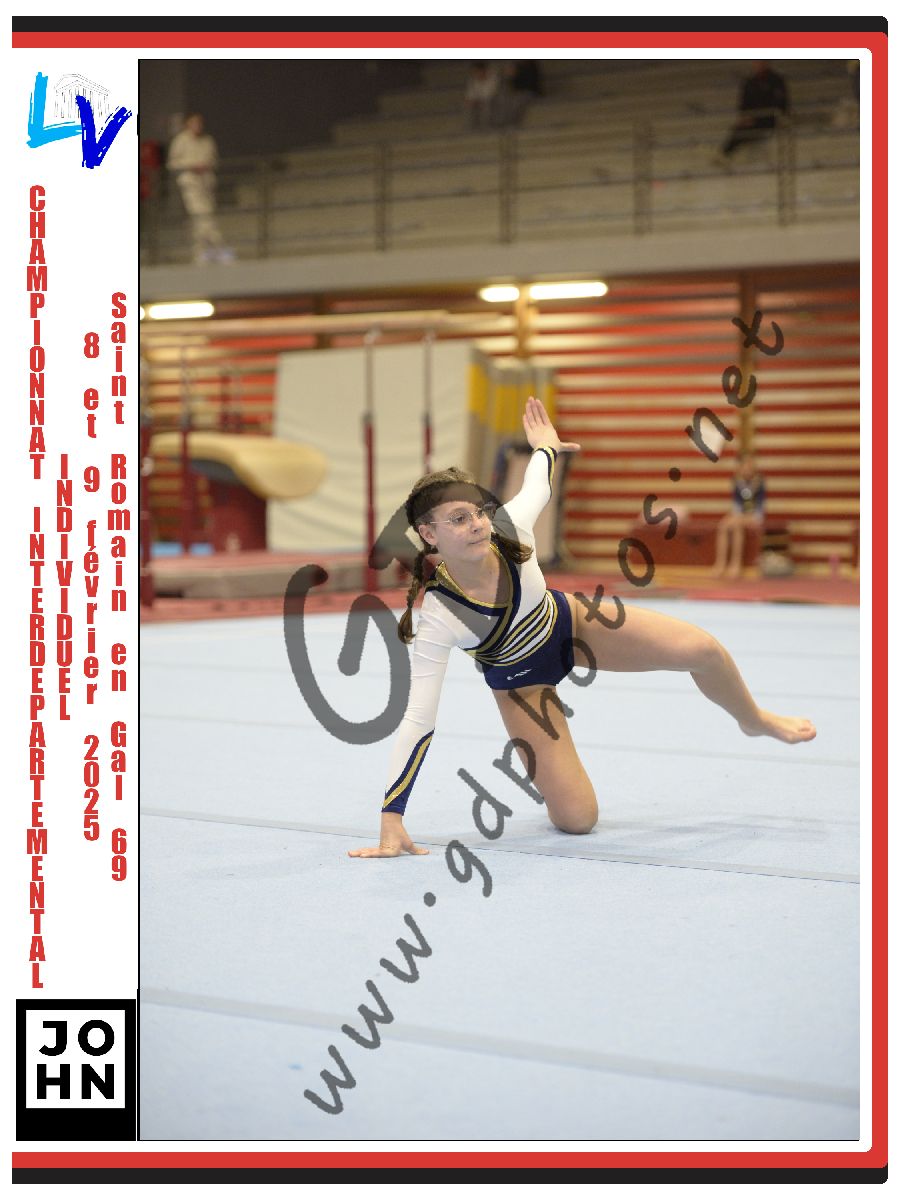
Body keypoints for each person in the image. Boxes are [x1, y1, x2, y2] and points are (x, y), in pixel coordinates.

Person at [350, 399, 815, 859]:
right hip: (523, 687)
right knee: (578, 819)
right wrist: (393, 816)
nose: (476, 525)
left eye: (478, 512)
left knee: (702, 649)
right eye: (458, 519)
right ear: (429, 535)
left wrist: (545, 445)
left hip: (573, 627)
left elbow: (538, 482)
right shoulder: (440, 614)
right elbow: (419, 717)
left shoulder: (510, 529)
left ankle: (754, 719)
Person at [167, 112, 229, 264]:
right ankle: (221, 248)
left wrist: (205, 165)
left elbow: (214, 160)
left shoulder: (207, 141)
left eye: (199, 123)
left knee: (203, 217)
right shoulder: (180, 140)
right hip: (190, 183)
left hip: (207, 183)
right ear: (188, 124)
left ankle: (201, 252)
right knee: (201, 215)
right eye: (194, 123)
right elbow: (172, 163)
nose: (197, 126)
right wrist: (191, 166)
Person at [715, 61, 790, 166]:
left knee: (742, 130)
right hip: (752, 118)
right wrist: (746, 116)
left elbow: (781, 103)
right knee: (739, 129)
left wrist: (760, 116)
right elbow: (743, 103)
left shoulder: (776, 80)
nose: (758, 65)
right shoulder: (750, 81)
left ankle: (725, 154)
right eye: (756, 62)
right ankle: (725, 154)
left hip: (769, 118)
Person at [713, 452, 766, 579]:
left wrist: (741, 517)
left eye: (749, 465)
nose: (747, 468)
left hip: (755, 516)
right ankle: (720, 563)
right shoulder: (737, 482)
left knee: (736, 526)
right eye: (744, 466)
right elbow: (736, 505)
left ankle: (736, 564)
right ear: (740, 467)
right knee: (723, 525)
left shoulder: (759, 482)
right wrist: (735, 516)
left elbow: (759, 508)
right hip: (740, 515)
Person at [464, 62, 500, 130]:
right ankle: (471, 126)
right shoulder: (473, 80)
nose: (475, 74)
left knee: (487, 104)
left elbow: (492, 93)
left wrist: (479, 100)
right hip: (480, 100)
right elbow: (470, 94)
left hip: (493, 101)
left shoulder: (493, 78)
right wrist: (470, 100)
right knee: (468, 105)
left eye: (477, 72)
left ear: (483, 70)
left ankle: (487, 125)